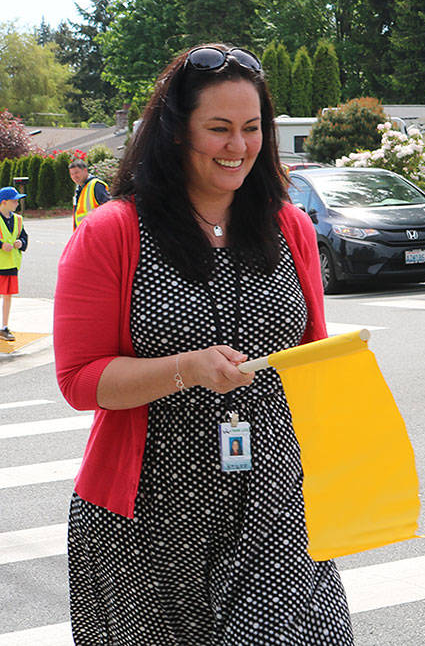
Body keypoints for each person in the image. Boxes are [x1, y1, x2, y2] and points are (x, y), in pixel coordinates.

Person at [53, 44, 353, 644]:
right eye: (218, 129)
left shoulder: (286, 224)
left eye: (251, 129)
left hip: (275, 506)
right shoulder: (114, 231)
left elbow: (311, 352)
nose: (238, 147)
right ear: (175, 132)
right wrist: (186, 369)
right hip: (149, 523)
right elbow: (81, 380)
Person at [0, 186, 29, 342]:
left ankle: (4, 327)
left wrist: (21, 242)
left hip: (11, 264)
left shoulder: (18, 219)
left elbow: (24, 237)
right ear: (4, 202)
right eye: (14, 201)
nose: (17, 203)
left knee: (8, 296)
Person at [69, 158, 110, 230]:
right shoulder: (79, 189)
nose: (74, 176)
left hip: (96, 232)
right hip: (84, 233)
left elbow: (108, 210)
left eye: (76, 173)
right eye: (72, 174)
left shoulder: (96, 185)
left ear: (85, 170)